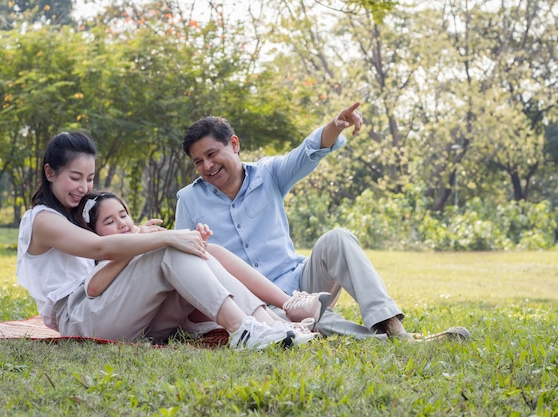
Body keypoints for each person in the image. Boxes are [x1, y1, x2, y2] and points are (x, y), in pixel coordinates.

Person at [175, 102, 470, 342]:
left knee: (337, 238)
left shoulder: (269, 174)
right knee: (305, 322)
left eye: (212, 154)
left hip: (300, 283)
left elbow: (307, 153)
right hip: (250, 304)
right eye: (198, 161)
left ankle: (393, 327)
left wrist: (334, 126)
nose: (207, 166)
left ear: (234, 144)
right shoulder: (189, 199)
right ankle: (385, 342)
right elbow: (185, 266)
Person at [16, 131, 301, 350]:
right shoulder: (42, 220)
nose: (83, 187)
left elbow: (108, 256)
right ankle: (243, 330)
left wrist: (149, 236)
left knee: (206, 250)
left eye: (89, 178)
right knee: (170, 249)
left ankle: (274, 324)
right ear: (50, 172)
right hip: (79, 318)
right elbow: (99, 247)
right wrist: (169, 236)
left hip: (116, 313)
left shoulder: (72, 215)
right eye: (74, 177)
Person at [75, 189, 329, 340]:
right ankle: (265, 322)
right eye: (109, 222)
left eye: (123, 215)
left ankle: (276, 322)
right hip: (127, 324)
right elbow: (93, 289)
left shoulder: (144, 240)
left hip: (161, 321)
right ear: (94, 234)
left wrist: (196, 245)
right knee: (181, 249)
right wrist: (136, 244)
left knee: (209, 250)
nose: (121, 223)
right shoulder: (104, 259)